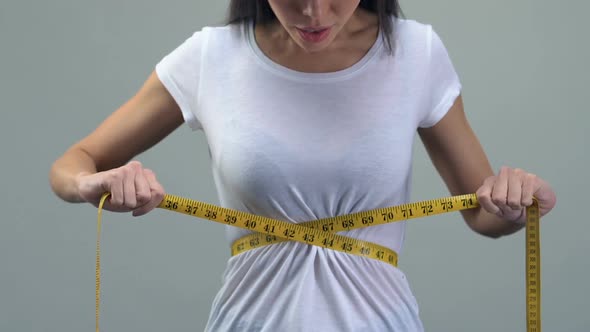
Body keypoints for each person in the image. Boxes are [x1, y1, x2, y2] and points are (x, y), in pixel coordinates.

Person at [49, 0, 557, 331]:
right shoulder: (211, 56)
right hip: (250, 321)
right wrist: (91, 183)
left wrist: (514, 203)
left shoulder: (416, 52)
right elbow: (72, 164)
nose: (313, 12)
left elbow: (482, 214)